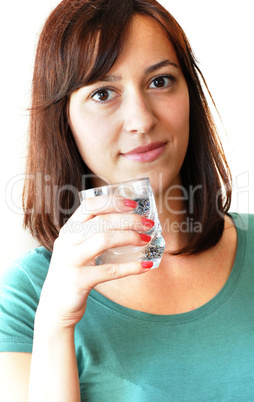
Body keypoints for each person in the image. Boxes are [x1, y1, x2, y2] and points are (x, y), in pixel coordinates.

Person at [0, 0, 253, 400]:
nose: (141, 120)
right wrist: (55, 326)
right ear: (63, 120)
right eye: (103, 93)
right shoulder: (26, 297)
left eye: (160, 81)